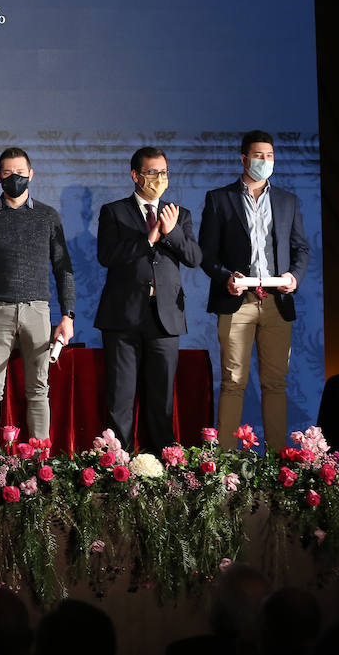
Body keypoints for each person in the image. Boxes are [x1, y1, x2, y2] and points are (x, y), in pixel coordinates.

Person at [200, 130, 311, 450]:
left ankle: (278, 461)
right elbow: (206, 254)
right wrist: (225, 278)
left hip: (277, 301)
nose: (264, 161)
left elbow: (301, 248)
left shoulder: (287, 200)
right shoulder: (219, 199)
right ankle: (225, 463)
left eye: (270, 156)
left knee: (275, 383)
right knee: (233, 382)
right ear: (243, 158)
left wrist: (295, 277)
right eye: (258, 155)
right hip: (237, 300)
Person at [0, 148, 75, 449]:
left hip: (38, 310)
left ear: (31, 174)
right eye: (8, 173)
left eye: (21, 173)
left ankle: (39, 461)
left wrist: (68, 315)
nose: (15, 178)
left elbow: (64, 269)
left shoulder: (48, 216)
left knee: (38, 389)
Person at [95, 147, 202, 453]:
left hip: (164, 317)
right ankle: (117, 466)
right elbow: (108, 256)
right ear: (136, 175)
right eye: (153, 172)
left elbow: (195, 257)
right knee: (120, 400)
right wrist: (149, 238)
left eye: (164, 172)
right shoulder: (113, 211)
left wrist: (171, 233)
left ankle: (159, 467)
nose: (159, 178)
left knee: (161, 400)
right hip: (123, 317)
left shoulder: (179, 214)